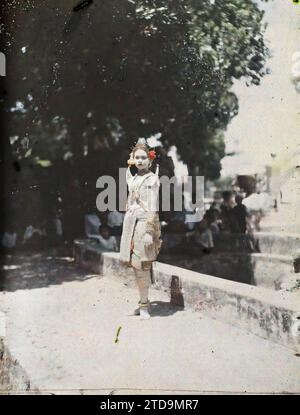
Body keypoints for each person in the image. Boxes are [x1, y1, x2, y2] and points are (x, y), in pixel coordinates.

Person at [119, 142, 162, 320]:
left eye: (143, 157)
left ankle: (144, 305)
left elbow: (153, 206)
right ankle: (143, 301)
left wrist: (149, 232)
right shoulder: (134, 178)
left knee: (143, 264)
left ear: (149, 160)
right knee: (136, 266)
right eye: (137, 157)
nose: (140, 160)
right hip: (131, 224)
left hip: (144, 224)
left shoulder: (152, 179)